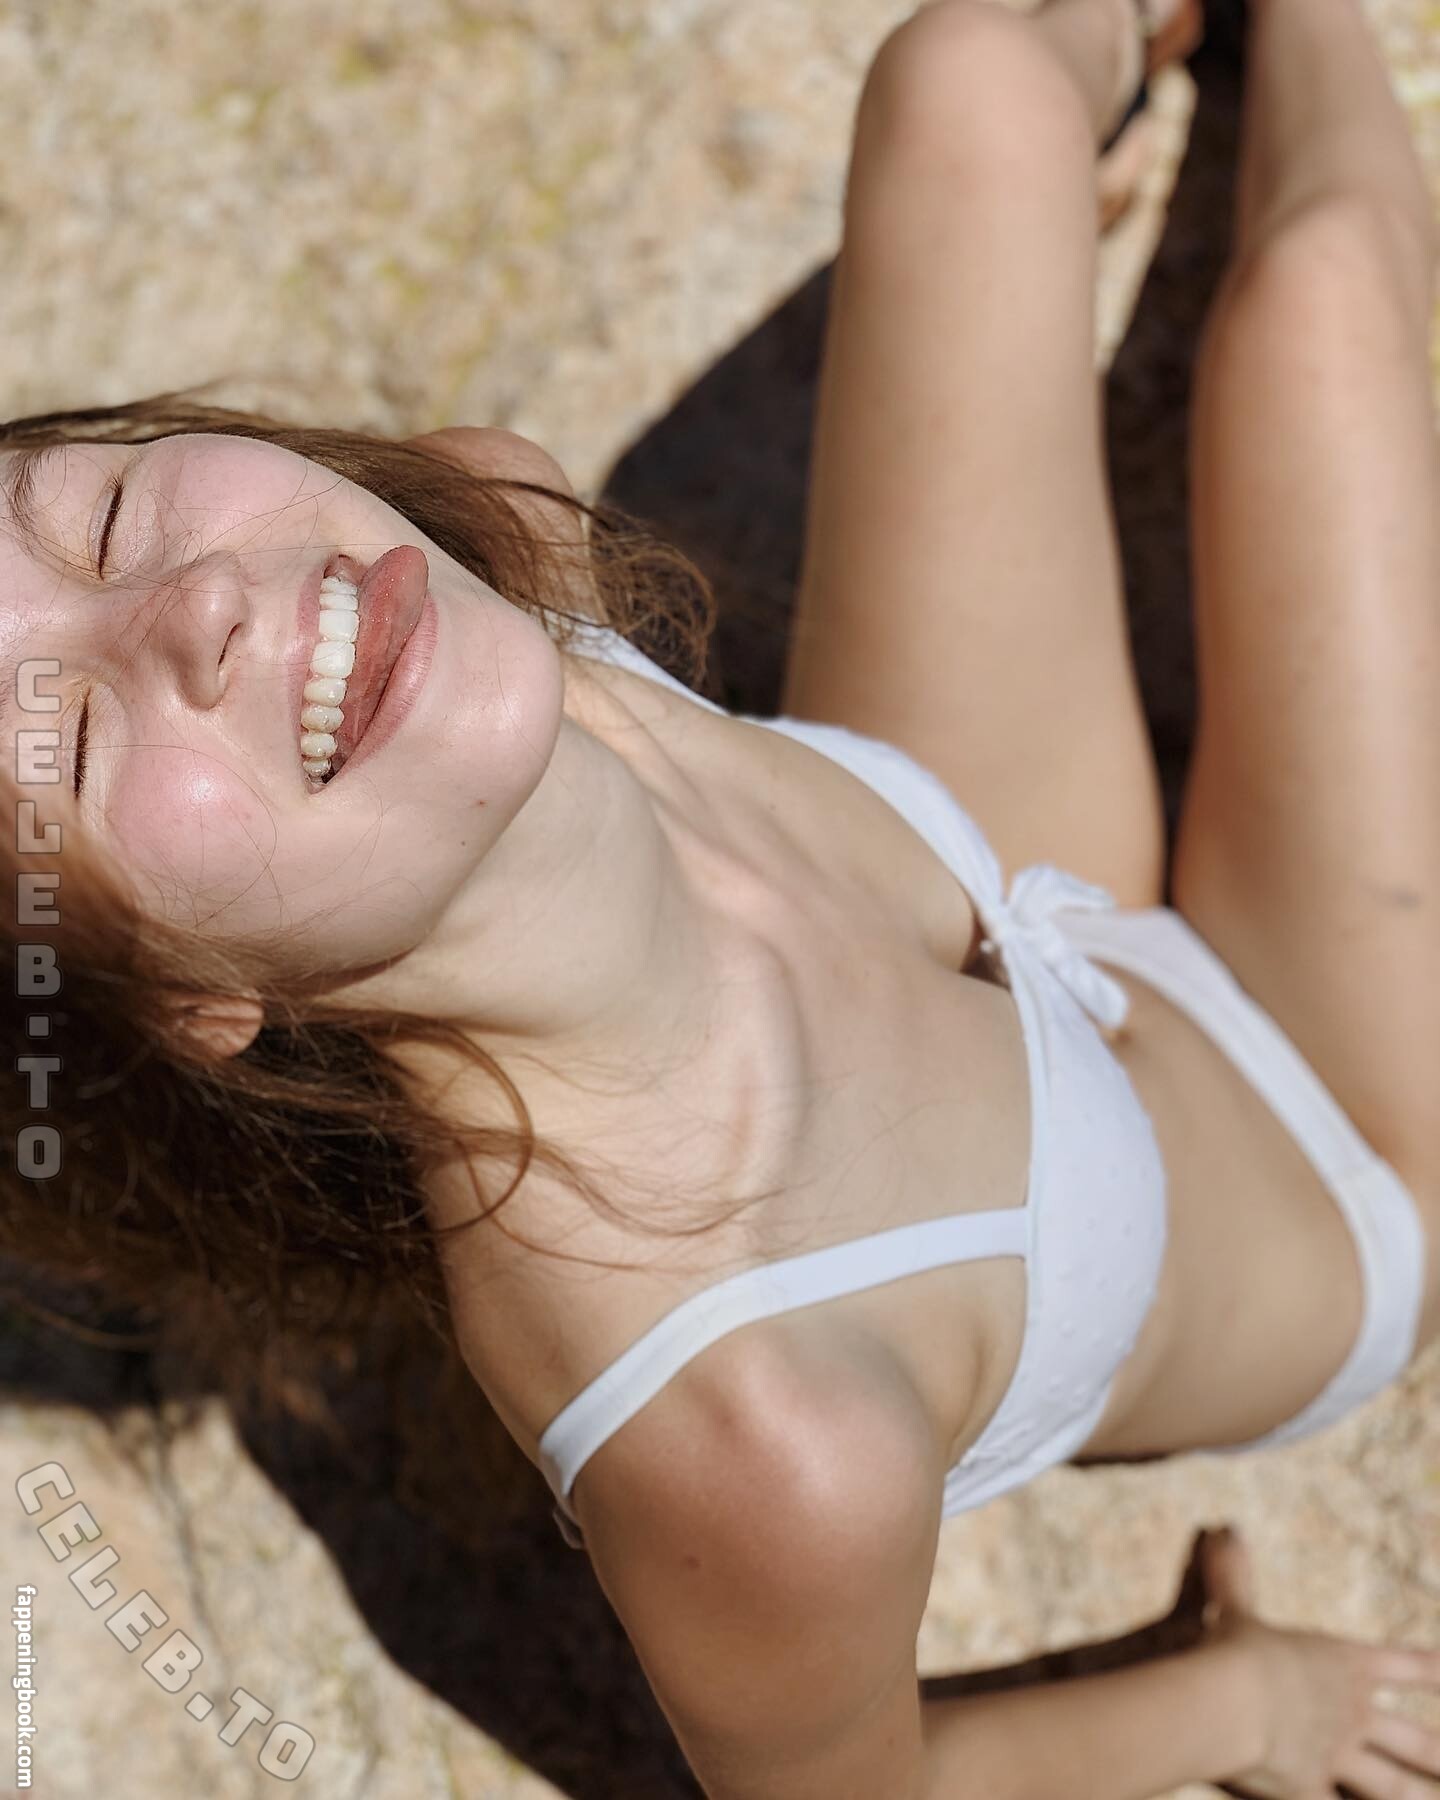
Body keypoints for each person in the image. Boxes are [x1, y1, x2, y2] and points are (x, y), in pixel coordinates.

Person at [3, 0, 1437, 1793]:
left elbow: (476, 498)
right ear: (191, 1004)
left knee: (973, 88)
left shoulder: (483, 552)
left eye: (100, 514)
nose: (194, 608)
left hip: (1027, 891)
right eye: (71, 750)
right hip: (1333, 1153)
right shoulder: (747, 1430)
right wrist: (1249, 1709)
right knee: (1316, 308)